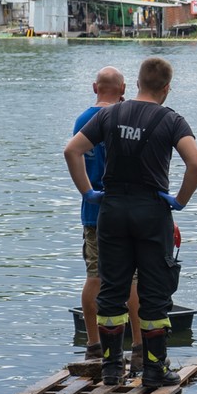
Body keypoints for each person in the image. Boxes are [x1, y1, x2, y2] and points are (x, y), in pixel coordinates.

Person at [64, 56, 197, 388]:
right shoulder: (171, 120)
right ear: (167, 87)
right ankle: (154, 369)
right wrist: (180, 201)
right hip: (151, 212)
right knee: (154, 293)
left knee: (112, 290)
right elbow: (196, 164)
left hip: (111, 211)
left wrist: (88, 192)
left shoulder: (109, 114)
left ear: (137, 83)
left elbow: (72, 150)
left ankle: (112, 368)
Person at [73, 67, 144, 370]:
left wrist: (89, 192)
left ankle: (93, 346)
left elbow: (73, 154)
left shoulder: (81, 120)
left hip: (94, 211)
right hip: (128, 207)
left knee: (95, 277)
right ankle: (140, 348)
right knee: (133, 280)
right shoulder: (127, 119)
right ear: (124, 88)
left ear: (94, 87)